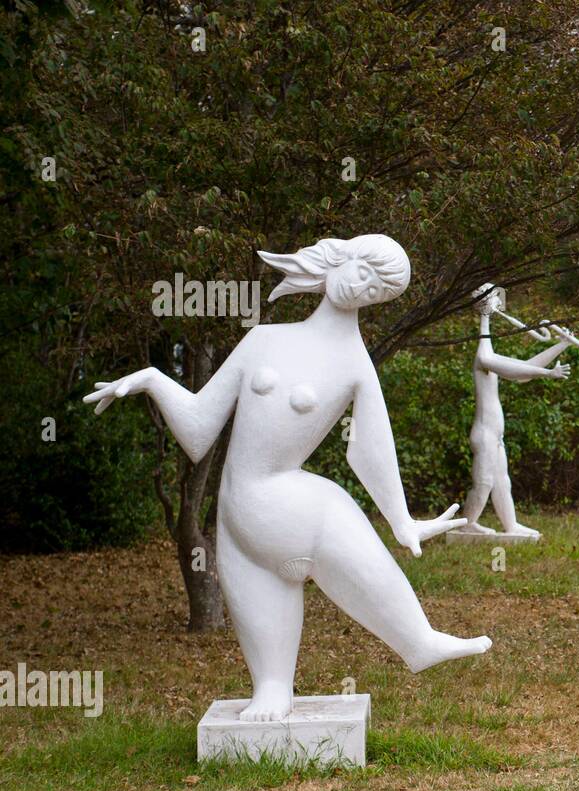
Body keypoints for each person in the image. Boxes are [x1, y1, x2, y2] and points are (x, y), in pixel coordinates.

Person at [85, 235, 490, 722]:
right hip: (238, 518)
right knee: (269, 660)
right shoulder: (264, 339)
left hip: (291, 503)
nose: (361, 290)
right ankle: (277, 686)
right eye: (363, 274)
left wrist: (403, 523)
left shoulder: (354, 365)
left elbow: (372, 449)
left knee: (332, 509)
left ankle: (418, 639)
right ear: (341, 259)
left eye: (376, 293)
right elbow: (197, 431)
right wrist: (152, 379)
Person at [459, 284, 571, 538]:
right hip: (484, 434)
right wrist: (485, 315)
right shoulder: (483, 358)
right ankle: (467, 525)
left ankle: (511, 526)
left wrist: (562, 345)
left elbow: (524, 370)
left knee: (502, 483)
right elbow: (502, 364)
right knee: (484, 483)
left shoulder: (490, 357)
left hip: (494, 436)